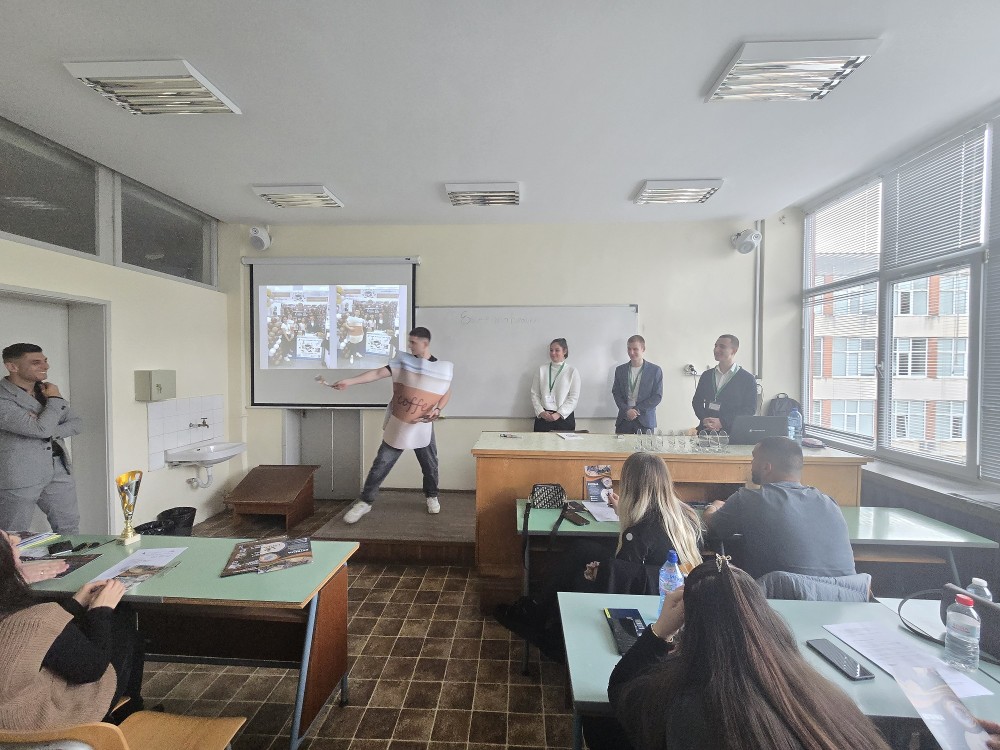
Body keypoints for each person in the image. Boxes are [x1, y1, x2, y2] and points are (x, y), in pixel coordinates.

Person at [608, 557, 893, 750]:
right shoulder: (825, 698)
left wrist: (660, 631)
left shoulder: (684, 707)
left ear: (691, 628)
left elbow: (622, 690)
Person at [495, 452, 703, 658]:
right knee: (582, 549)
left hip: (652, 601)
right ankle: (538, 610)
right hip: (669, 590)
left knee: (579, 579)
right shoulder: (684, 515)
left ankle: (556, 637)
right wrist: (623, 511)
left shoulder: (638, 532)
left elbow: (622, 579)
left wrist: (599, 573)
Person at [0, 530, 146, 731]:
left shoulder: (25, 618)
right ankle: (128, 715)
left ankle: (131, 709)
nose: (17, 540)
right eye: (10, 543)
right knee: (122, 622)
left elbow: (44, 640)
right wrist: (101, 611)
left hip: (12, 714)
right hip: (40, 724)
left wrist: (75, 605)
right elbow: (91, 670)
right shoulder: (32, 619)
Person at [327, 327, 453, 523]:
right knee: (382, 463)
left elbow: (446, 392)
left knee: (430, 464)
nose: (410, 346)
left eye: (413, 342)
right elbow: (378, 373)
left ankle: (431, 495)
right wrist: (350, 382)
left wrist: (437, 409)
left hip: (422, 424)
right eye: (409, 342)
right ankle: (365, 501)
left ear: (425, 343)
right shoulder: (403, 362)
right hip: (399, 422)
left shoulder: (439, 368)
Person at [702, 436, 856, 580]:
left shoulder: (749, 499)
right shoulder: (830, 503)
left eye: (754, 458)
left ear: (766, 467)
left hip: (782, 595)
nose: (751, 463)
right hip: (847, 595)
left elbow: (712, 527)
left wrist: (712, 507)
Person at [0, 343, 82, 534]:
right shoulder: (4, 397)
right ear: (12, 366)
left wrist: (46, 427)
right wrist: (55, 401)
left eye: (45, 361)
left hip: (58, 468)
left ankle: (71, 556)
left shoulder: (44, 391)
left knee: (69, 527)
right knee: (13, 535)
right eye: (36, 362)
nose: (45, 366)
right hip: (19, 474)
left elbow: (77, 423)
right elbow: (40, 429)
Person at [691, 333, 757, 433]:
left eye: (722, 346)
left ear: (734, 351)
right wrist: (704, 419)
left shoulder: (747, 379)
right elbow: (697, 401)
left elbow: (749, 410)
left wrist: (722, 422)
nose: (716, 350)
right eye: (715, 346)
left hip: (732, 433)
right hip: (706, 431)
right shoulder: (707, 375)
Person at [612, 335, 664, 435]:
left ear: (643, 349)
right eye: (629, 349)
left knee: (645, 446)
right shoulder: (620, 370)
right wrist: (627, 410)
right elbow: (616, 393)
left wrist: (636, 410)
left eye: (635, 349)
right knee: (620, 445)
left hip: (645, 421)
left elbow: (657, 396)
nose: (631, 352)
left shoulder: (655, 370)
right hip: (624, 420)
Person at [530, 338, 581, 432]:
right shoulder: (541, 370)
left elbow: (573, 398)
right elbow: (534, 394)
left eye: (557, 350)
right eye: (551, 350)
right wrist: (541, 412)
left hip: (564, 418)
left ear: (564, 351)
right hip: (543, 418)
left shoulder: (572, 371)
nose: (553, 353)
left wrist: (558, 414)